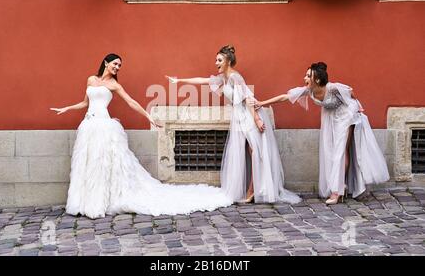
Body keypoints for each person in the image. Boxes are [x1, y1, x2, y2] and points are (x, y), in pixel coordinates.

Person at [50, 53, 232, 219]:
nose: (117, 67)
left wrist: (149, 117)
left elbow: (131, 102)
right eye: (115, 64)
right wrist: (67, 108)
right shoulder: (91, 80)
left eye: (119, 66)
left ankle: (99, 203)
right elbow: (85, 102)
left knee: (103, 164)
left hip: (105, 127)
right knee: (89, 163)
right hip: (89, 126)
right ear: (106, 63)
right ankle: (84, 202)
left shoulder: (115, 85)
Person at [166, 45, 301, 205]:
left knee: (256, 151)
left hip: (249, 115)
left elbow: (247, 98)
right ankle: (253, 189)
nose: (216, 63)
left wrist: (257, 119)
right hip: (239, 116)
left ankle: (254, 190)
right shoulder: (224, 78)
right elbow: (203, 80)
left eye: (219, 60)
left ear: (228, 61)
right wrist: (180, 80)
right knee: (251, 151)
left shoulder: (235, 77)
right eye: (216, 60)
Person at [252, 62, 390, 204]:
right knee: (330, 151)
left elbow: (351, 92)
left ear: (317, 79)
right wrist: (262, 103)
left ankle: (337, 191)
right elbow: (285, 97)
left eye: (308, 76)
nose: (304, 78)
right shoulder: (309, 91)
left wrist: (358, 108)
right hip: (330, 118)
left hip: (346, 116)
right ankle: (341, 185)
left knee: (340, 152)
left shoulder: (333, 88)